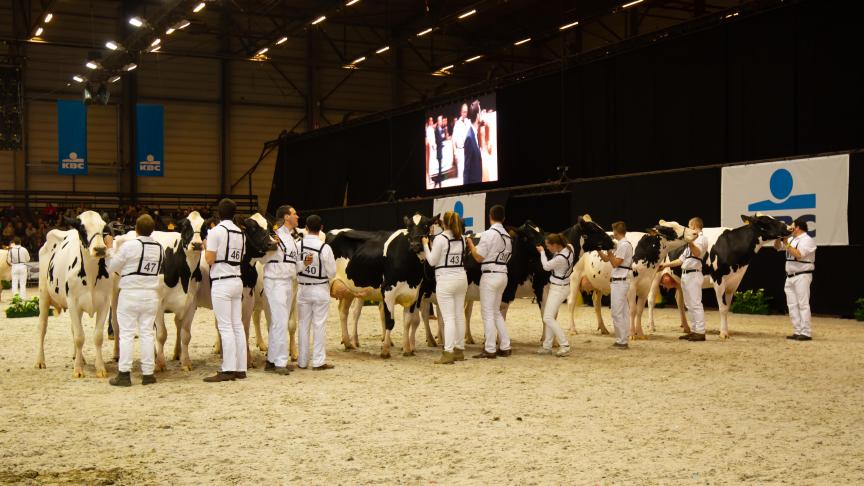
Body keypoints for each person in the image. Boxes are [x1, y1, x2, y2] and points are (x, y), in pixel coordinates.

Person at [104, 215, 162, 386]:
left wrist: (109, 249)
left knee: (127, 334)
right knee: (147, 334)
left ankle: (124, 374)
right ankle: (148, 374)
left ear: (136, 229)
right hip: (151, 294)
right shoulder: (159, 247)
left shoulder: (129, 246)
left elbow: (112, 266)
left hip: (130, 293)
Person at [203, 198, 247, 382]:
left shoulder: (215, 232)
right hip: (237, 280)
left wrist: (206, 248)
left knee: (225, 326)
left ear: (219, 214)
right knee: (237, 324)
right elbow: (241, 256)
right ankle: (240, 368)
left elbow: (210, 259)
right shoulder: (241, 233)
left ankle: (228, 369)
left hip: (222, 281)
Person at [466, 204, 512, 358]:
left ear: (490, 217)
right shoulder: (508, 236)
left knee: (487, 313)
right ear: (503, 218)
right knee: (496, 312)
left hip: (490, 275)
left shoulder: (488, 234)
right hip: (503, 274)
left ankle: (490, 348)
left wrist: (471, 245)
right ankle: (505, 346)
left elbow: (479, 257)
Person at [423, 211, 468, 364]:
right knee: (459, 315)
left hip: (445, 279)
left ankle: (448, 353)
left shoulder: (440, 239)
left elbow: (432, 261)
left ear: (443, 223)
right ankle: (459, 350)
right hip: (461, 278)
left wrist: (425, 245)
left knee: (448, 318)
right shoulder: (462, 238)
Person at [264, 205, 301, 375]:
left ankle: (272, 361)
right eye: (294, 214)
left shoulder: (291, 237)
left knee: (278, 322)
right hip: (275, 281)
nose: (297, 217)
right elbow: (263, 257)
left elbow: (293, 263)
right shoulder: (274, 235)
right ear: (286, 217)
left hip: (287, 281)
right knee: (280, 321)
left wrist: (303, 265)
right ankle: (280, 362)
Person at [295, 215, 336, 370]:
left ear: (306, 228)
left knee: (303, 325)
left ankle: (302, 361)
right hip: (320, 289)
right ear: (321, 228)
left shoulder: (298, 245)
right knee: (319, 325)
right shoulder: (325, 248)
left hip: (303, 289)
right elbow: (332, 273)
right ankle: (318, 361)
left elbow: (294, 267)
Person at [659, 217, 709, 341]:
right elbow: (681, 260)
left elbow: (697, 253)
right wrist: (665, 265)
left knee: (695, 303)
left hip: (694, 274)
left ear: (694, 225)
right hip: (685, 275)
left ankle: (701, 332)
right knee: (689, 304)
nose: (688, 228)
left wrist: (690, 241)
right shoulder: (689, 244)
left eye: (689, 226)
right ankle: (694, 330)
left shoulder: (702, 238)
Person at [775, 217, 817, 341]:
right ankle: (797, 330)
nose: (790, 228)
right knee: (792, 304)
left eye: (792, 226)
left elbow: (798, 254)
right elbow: (777, 247)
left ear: (798, 227)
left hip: (802, 275)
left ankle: (806, 332)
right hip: (790, 276)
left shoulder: (807, 240)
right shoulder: (792, 239)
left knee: (803, 304)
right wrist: (779, 237)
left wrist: (786, 242)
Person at [536, 233, 572, 357]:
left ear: (556, 245)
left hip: (558, 288)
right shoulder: (569, 248)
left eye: (549, 246)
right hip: (563, 286)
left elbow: (546, 267)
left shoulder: (560, 258)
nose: (547, 248)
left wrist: (541, 252)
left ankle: (565, 345)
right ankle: (547, 346)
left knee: (547, 318)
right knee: (550, 316)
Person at [598, 221, 633, 349]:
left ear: (616, 232)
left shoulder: (624, 245)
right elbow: (608, 259)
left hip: (620, 280)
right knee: (622, 311)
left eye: (613, 231)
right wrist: (599, 250)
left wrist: (609, 250)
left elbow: (615, 263)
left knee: (617, 312)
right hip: (620, 281)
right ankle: (623, 339)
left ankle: (621, 341)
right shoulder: (620, 245)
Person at [463, 100, 483, 185]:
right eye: (480, 112)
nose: (481, 114)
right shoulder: (469, 138)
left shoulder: (474, 133)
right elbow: (466, 170)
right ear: (478, 116)